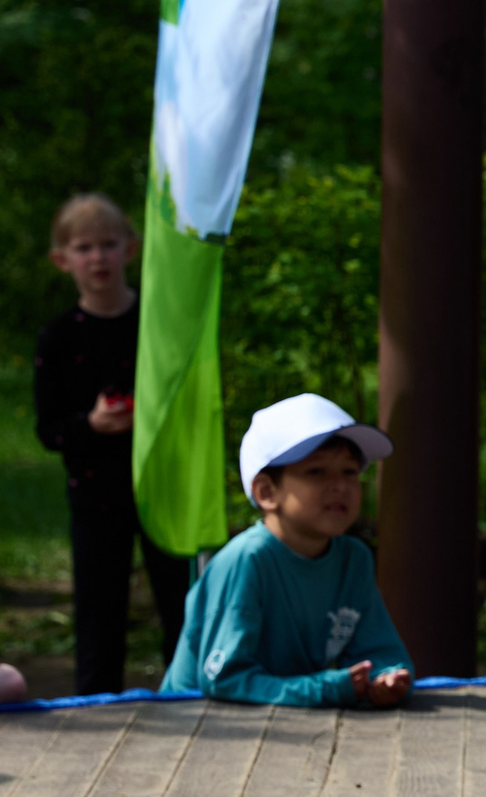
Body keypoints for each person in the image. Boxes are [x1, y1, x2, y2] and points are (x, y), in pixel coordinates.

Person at [34, 194, 193, 694]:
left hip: (163, 485)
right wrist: (92, 424)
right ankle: (97, 706)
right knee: (99, 609)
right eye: (84, 247)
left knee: (181, 603)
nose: (98, 257)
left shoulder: (159, 323)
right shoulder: (59, 336)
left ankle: (188, 693)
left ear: (131, 249)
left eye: (108, 244)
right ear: (62, 260)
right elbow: (49, 429)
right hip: (95, 493)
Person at [161, 394, 412, 708]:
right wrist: (323, 688)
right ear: (267, 492)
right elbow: (222, 679)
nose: (340, 485)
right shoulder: (247, 560)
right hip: (198, 723)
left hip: (280, 720)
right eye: (316, 472)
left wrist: (386, 678)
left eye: (349, 472)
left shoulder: (353, 559)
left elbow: (379, 649)